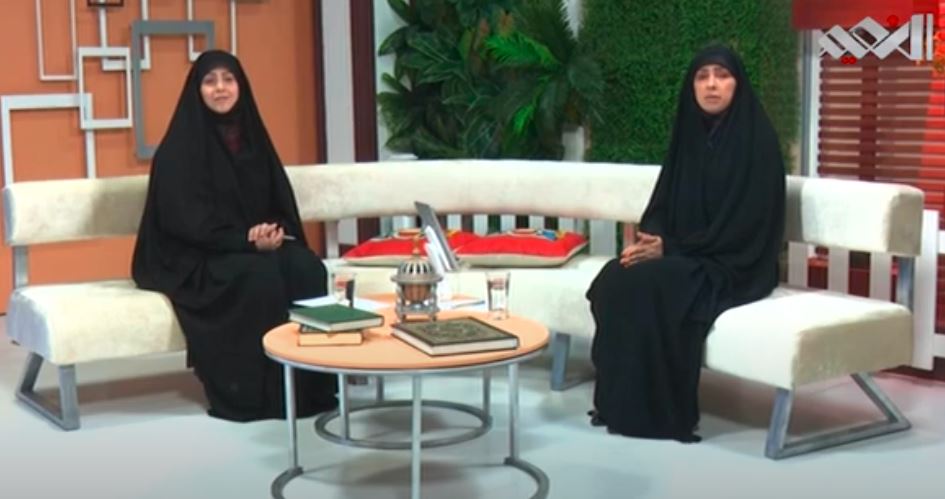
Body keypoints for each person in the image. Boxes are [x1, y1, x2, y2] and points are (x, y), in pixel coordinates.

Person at [585, 45, 786, 442]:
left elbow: (748, 226)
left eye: (722, 76)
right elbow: (662, 203)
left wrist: (672, 249)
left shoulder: (758, 142)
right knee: (615, 276)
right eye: (702, 76)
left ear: (738, 85)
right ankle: (618, 404)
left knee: (652, 284)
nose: (712, 85)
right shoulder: (689, 136)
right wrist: (654, 240)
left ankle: (661, 414)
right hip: (687, 255)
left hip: (734, 263)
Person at [132, 50, 337, 422]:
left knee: (307, 268)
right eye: (210, 81)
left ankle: (310, 386)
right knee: (259, 277)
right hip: (194, 256)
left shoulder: (254, 140)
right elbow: (185, 222)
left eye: (229, 79)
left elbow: (277, 200)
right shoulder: (178, 149)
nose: (220, 89)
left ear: (241, 86)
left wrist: (272, 230)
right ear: (197, 90)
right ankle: (253, 395)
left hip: (251, 246)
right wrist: (245, 241)